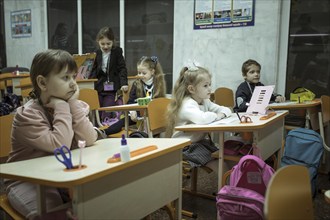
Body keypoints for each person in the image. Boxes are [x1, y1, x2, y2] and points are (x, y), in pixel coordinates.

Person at [5, 49, 98, 219]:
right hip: (28, 180)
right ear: (42, 83)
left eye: (73, 76)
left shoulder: (72, 105)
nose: (73, 84)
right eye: (65, 78)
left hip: (61, 174)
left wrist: (72, 103)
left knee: (97, 202)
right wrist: (63, 106)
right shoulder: (27, 115)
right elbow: (60, 145)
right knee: (52, 213)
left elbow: (89, 139)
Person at [165, 64, 232, 172]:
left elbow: (226, 110)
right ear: (191, 89)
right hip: (184, 146)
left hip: (199, 142)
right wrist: (218, 116)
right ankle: (227, 187)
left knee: (225, 156)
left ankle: (230, 184)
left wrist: (221, 114)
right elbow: (203, 119)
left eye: (210, 84)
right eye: (205, 86)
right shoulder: (187, 104)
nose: (210, 89)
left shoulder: (204, 100)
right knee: (220, 163)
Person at [103, 55, 166, 135]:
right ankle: (103, 132)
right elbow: (130, 101)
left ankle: (148, 138)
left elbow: (161, 101)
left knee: (154, 125)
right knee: (122, 122)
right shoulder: (137, 84)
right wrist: (132, 111)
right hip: (138, 114)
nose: (140, 75)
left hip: (153, 115)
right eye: (139, 72)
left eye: (144, 73)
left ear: (152, 72)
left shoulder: (158, 83)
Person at [90, 26, 129, 122]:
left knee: (107, 109)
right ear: (98, 42)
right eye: (102, 44)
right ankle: (97, 130)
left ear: (113, 42)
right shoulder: (96, 53)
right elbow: (93, 70)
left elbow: (122, 68)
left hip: (111, 89)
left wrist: (124, 83)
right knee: (97, 110)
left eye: (108, 43)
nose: (106, 46)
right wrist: (89, 84)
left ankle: (106, 129)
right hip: (98, 87)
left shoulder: (117, 52)